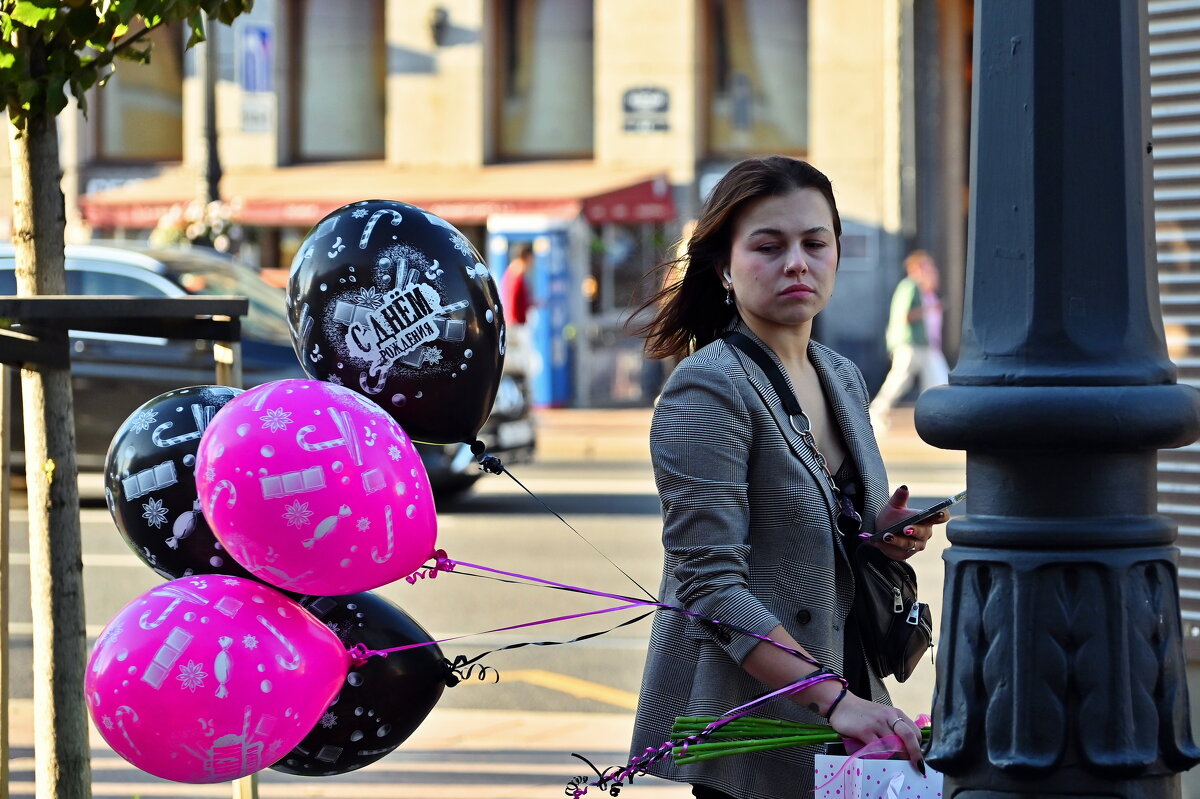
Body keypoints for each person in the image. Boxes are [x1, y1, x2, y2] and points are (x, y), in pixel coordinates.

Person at [627, 156, 947, 799]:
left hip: (848, 693)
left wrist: (873, 529)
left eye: (814, 242)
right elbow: (709, 583)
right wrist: (833, 703)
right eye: (768, 246)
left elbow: (821, 517)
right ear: (723, 264)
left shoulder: (842, 375)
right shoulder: (707, 389)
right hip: (759, 725)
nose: (796, 263)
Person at [868, 250, 950, 433]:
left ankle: (939, 419)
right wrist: (929, 308)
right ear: (917, 268)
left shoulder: (922, 289)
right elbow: (904, 316)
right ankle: (876, 413)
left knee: (938, 381)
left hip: (925, 345)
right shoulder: (909, 286)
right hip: (909, 343)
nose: (932, 270)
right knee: (899, 380)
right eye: (928, 266)